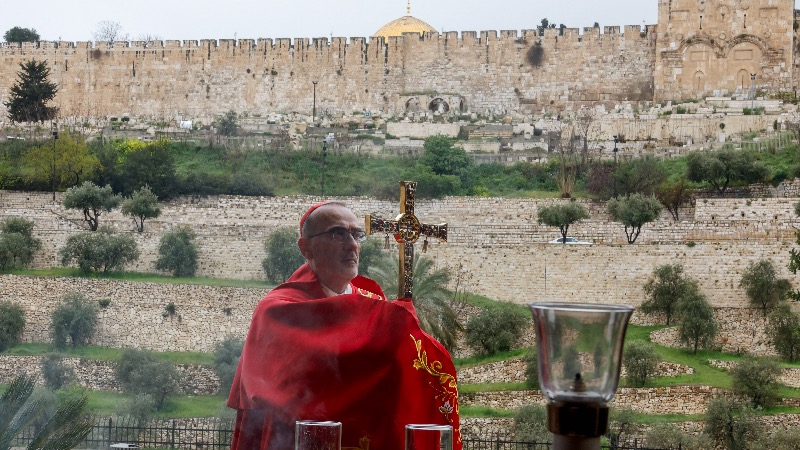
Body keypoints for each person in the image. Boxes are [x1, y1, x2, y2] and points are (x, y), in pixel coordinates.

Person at [227, 201, 461, 450]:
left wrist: (404, 333)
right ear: (306, 248)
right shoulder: (278, 309)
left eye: (357, 234)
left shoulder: (374, 302)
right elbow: (314, 377)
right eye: (337, 234)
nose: (352, 244)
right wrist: (393, 324)